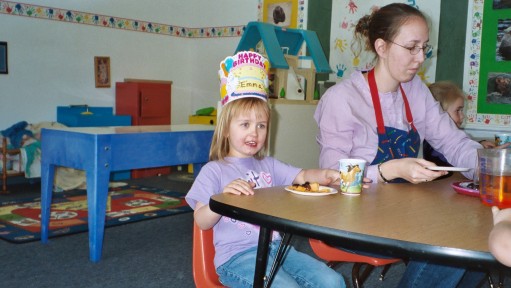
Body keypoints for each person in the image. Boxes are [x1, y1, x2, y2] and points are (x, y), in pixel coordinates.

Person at [314, 3, 486, 287]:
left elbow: (451, 140)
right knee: (449, 244)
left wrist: (487, 166)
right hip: (351, 220)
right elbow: (332, 176)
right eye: (411, 47)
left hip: (403, 211)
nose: (420, 58)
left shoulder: (413, 89)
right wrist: (388, 170)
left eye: (424, 47)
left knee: (479, 237)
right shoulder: (341, 99)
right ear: (381, 47)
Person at [186, 51, 346, 288]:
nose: (254, 132)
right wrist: (222, 200)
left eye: (261, 125)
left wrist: (326, 175)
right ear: (227, 130)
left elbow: (302, 176)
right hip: (237, 258)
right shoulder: (214, 171)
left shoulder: (268, 164)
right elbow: (202, 221)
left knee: (332, 281)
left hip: (278, 249)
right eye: (245, 125)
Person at [423, 81, 502, 167]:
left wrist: (480, 145)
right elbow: (455, 158)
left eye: (462, 111)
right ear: (440, 115)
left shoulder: (450, 137)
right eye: (458, 110)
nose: (463, 116)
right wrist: (487, 155)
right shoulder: (434, 143)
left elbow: (459, 146)